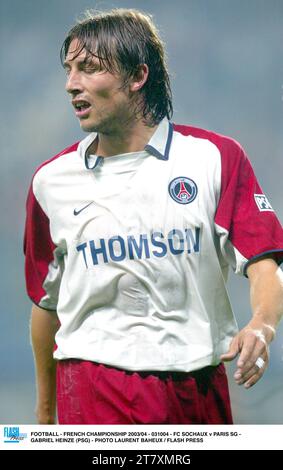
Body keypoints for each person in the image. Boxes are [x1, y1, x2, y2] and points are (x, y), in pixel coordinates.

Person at [24, 8, 283, 425]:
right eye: (69, 70)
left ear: (137, 76)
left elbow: (264, 262)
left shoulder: (214, 158)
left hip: (195, 383)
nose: (72, 84)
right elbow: (44, 301)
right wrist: (45, 415)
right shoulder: (50, 182)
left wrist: (262, 325)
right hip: (90, 383)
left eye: (89, 69)